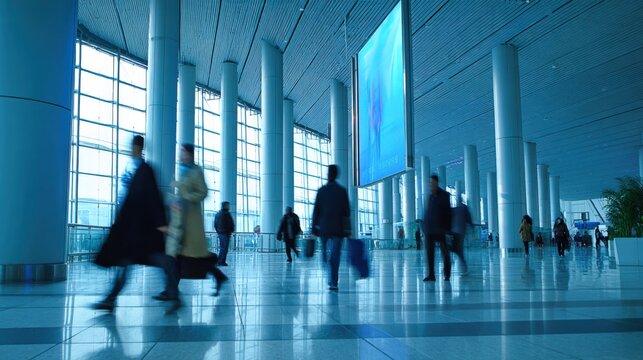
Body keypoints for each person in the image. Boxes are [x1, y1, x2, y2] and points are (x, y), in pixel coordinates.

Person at [93, 135, 172, 312]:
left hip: (140, 231)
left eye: (133, 147)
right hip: (135, 231)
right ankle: (111, 299)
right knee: (130, 262)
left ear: (138, 148)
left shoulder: (144, 170)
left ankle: (111, 299)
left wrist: (160, 223)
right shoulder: (138, 170)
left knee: (151, 260)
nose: (132, 150)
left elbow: (152, 199)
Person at [163, 144, 227, 299]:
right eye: (181, 152)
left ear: (190, 154)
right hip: (181, 218)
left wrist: (186, 197)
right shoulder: (182, 170)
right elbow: (181, 191)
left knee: (191, 256)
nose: (181, 155)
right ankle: (172, 289)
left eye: (184, 152)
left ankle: (172, 289)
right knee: (178, 255)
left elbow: (203, 192)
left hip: (191, 221)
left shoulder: (196, 171)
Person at [312, 164, 351, 291]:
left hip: (324, 228)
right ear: (337, 175)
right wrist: (348, 229)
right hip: (338, 229)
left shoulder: (321, 191)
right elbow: (346, 212)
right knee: (335, 255)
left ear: (328, 175)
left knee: (326, 252)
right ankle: (333, 281)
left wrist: (314, 227)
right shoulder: (342, 191)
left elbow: (316, 210)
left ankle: (325, 260)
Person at [423, 174, 452, 282]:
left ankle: (447, 275)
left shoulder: (445, 195)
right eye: (429, 183)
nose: (431, 185)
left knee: (445, 254)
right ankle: (431, 275)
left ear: (436, 183)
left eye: (432, 183)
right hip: (430, 231)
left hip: (441, 230)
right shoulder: (430, 197)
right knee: (430, 253)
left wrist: (448, 230)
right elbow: (428, 213)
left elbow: (448, 214)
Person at [451, 195, 471, 274]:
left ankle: (463, 264)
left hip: (460, 232)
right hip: (454, 232)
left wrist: (471, 227)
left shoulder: (463, 208)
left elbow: (468, 218)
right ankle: (461, 263)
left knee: (459, 249)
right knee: (455, 248)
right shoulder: (455, 209)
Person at [215, 201, 235, 266]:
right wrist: (229, 230)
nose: (228, 207)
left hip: (222, 233)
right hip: (225, 233)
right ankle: (221, 261)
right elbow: (228, 224)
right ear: (225, 206)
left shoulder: (219, 214)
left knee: (223, 248)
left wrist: (218, 231)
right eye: (227, 205)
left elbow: (215, 224)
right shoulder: (225, 214)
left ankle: (220, 261)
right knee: (224, 248)